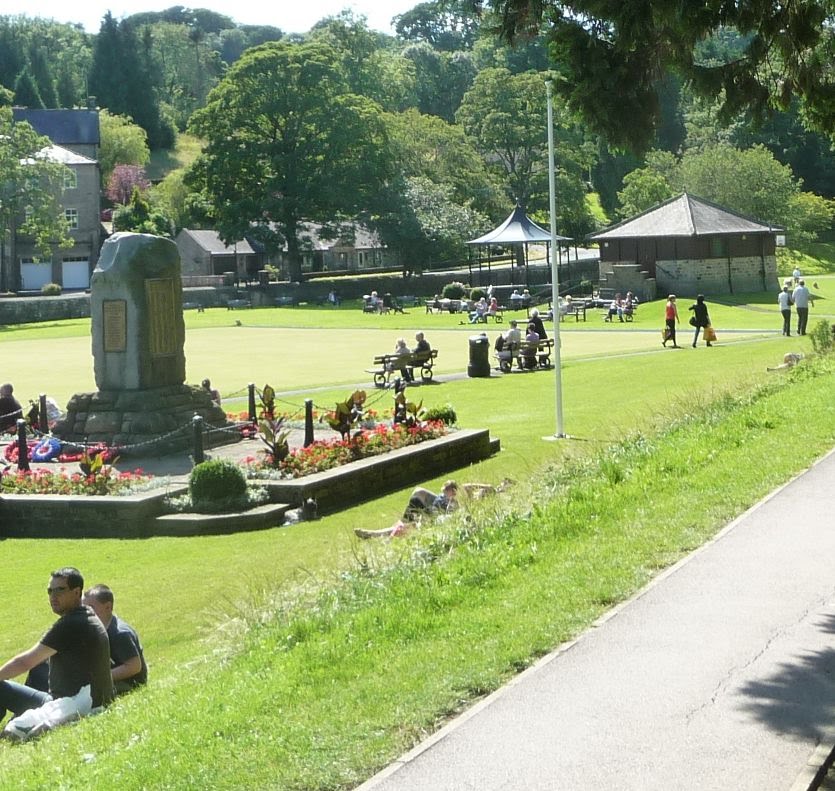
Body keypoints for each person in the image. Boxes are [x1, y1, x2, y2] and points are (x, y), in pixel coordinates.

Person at [0, 567, 113, 729]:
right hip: (91, 701)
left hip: (66, 704)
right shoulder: (87, 616)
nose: (53, 596)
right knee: (39, 670)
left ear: (76, 592)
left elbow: (24, 662)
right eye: (50, 591)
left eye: (60, 590)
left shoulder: (71, 624)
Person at [354, 480, 503, 539]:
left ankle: (376, 534)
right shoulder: (471, 495)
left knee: (412, 524)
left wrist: (486, 491)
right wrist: (485, 487)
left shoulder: (475, 505)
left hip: (445, 514)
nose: (479, 493)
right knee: (418, 492)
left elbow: (472, 491)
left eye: (482, 494)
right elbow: (467, 486)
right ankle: (401, 524)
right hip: (441, 504)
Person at [82, 585, 147, 695]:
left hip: (129, 683)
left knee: (92, 695)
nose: (85, 612)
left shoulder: (120, 634)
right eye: (83, 608)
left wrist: (101, 678)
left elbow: (134, 666)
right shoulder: (97, 629)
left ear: (108, 607)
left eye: (90, 608)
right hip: (112, 679)